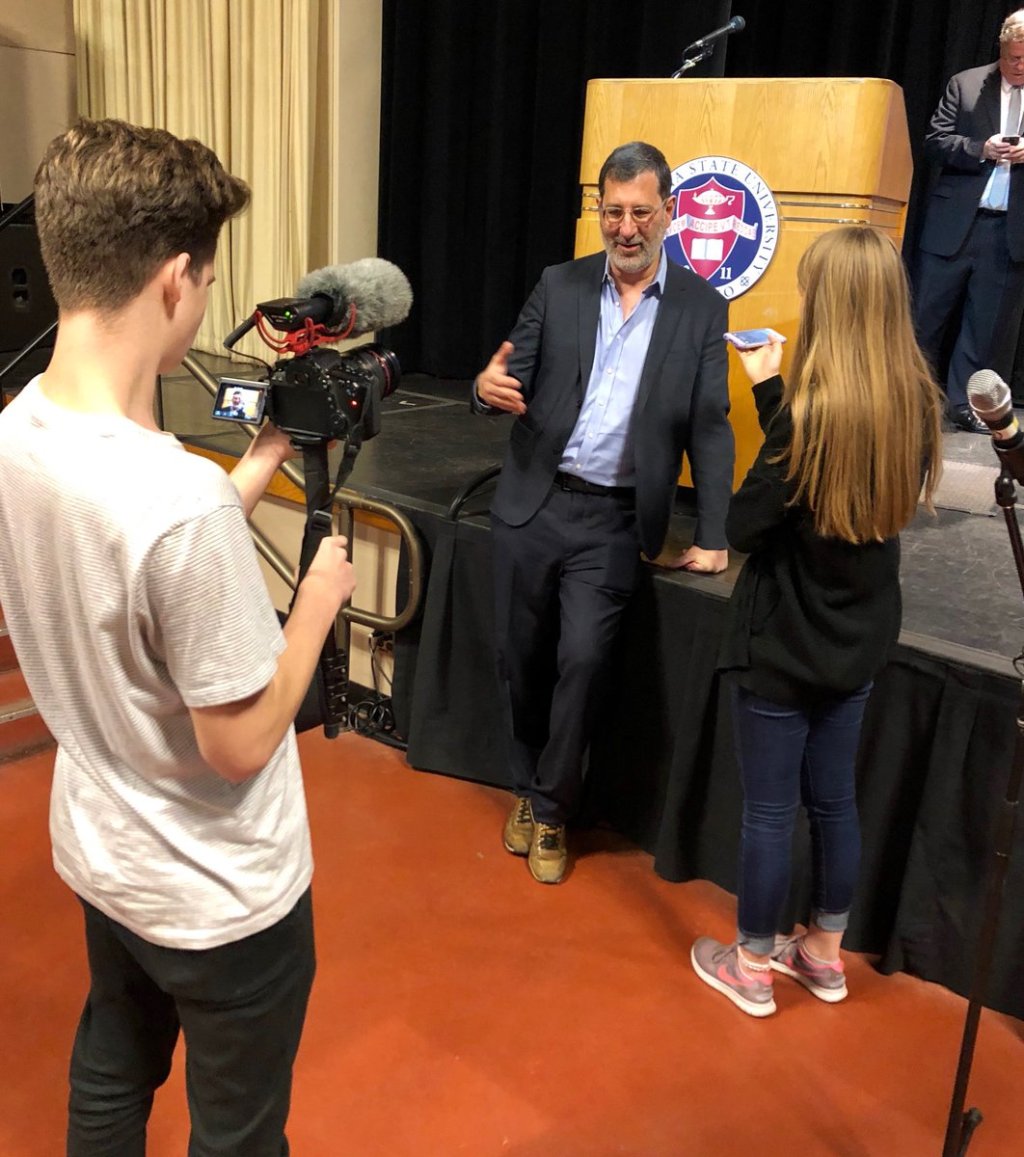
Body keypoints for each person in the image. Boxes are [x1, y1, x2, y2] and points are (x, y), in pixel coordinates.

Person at [0, 118, 356, 1152]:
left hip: (105, 856)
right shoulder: (176, 502)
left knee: (112, 1061)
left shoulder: (20, 428)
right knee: (238, 1130)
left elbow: (121, 567)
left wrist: (246, 474)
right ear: (171, 282)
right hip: (218, 897)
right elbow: (238, 740)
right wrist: (316, 603)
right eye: (203, 281)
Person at [690, 225, 944, 1016]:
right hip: (858, 642)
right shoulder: (915, 407)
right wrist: (772, 389)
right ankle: (824, 954)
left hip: (785, 641)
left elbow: (749, 524)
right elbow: (825, 486)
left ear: (827, 308)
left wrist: (772, 401)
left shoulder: (810, 420)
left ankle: (754, 966)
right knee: (835, 800)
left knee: (770, 809)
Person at [474, 140, 734, 885]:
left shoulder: (699, 309)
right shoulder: (558, 285)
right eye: (613, 211)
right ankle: (529, 786)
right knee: (519, 658)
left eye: (641, 212)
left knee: (582, 661)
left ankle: (550, 808)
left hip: (616, 520)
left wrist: (714, 533)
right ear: (599, 211)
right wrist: (483, 387)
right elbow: (504, 372)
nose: (626, 228)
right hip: (534, 499)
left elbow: (710, 426)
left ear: (671, 214)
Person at [914, 8, 1024, 432]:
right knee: (924, 319)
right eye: (1014, 57)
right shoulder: (967, 83)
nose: (1019, 67)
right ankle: (912, 400)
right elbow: (935, 142)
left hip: (1008, 233)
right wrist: (982, 148)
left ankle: (966, 407)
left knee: (985, 329)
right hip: (953, 225)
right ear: (1001, 49)